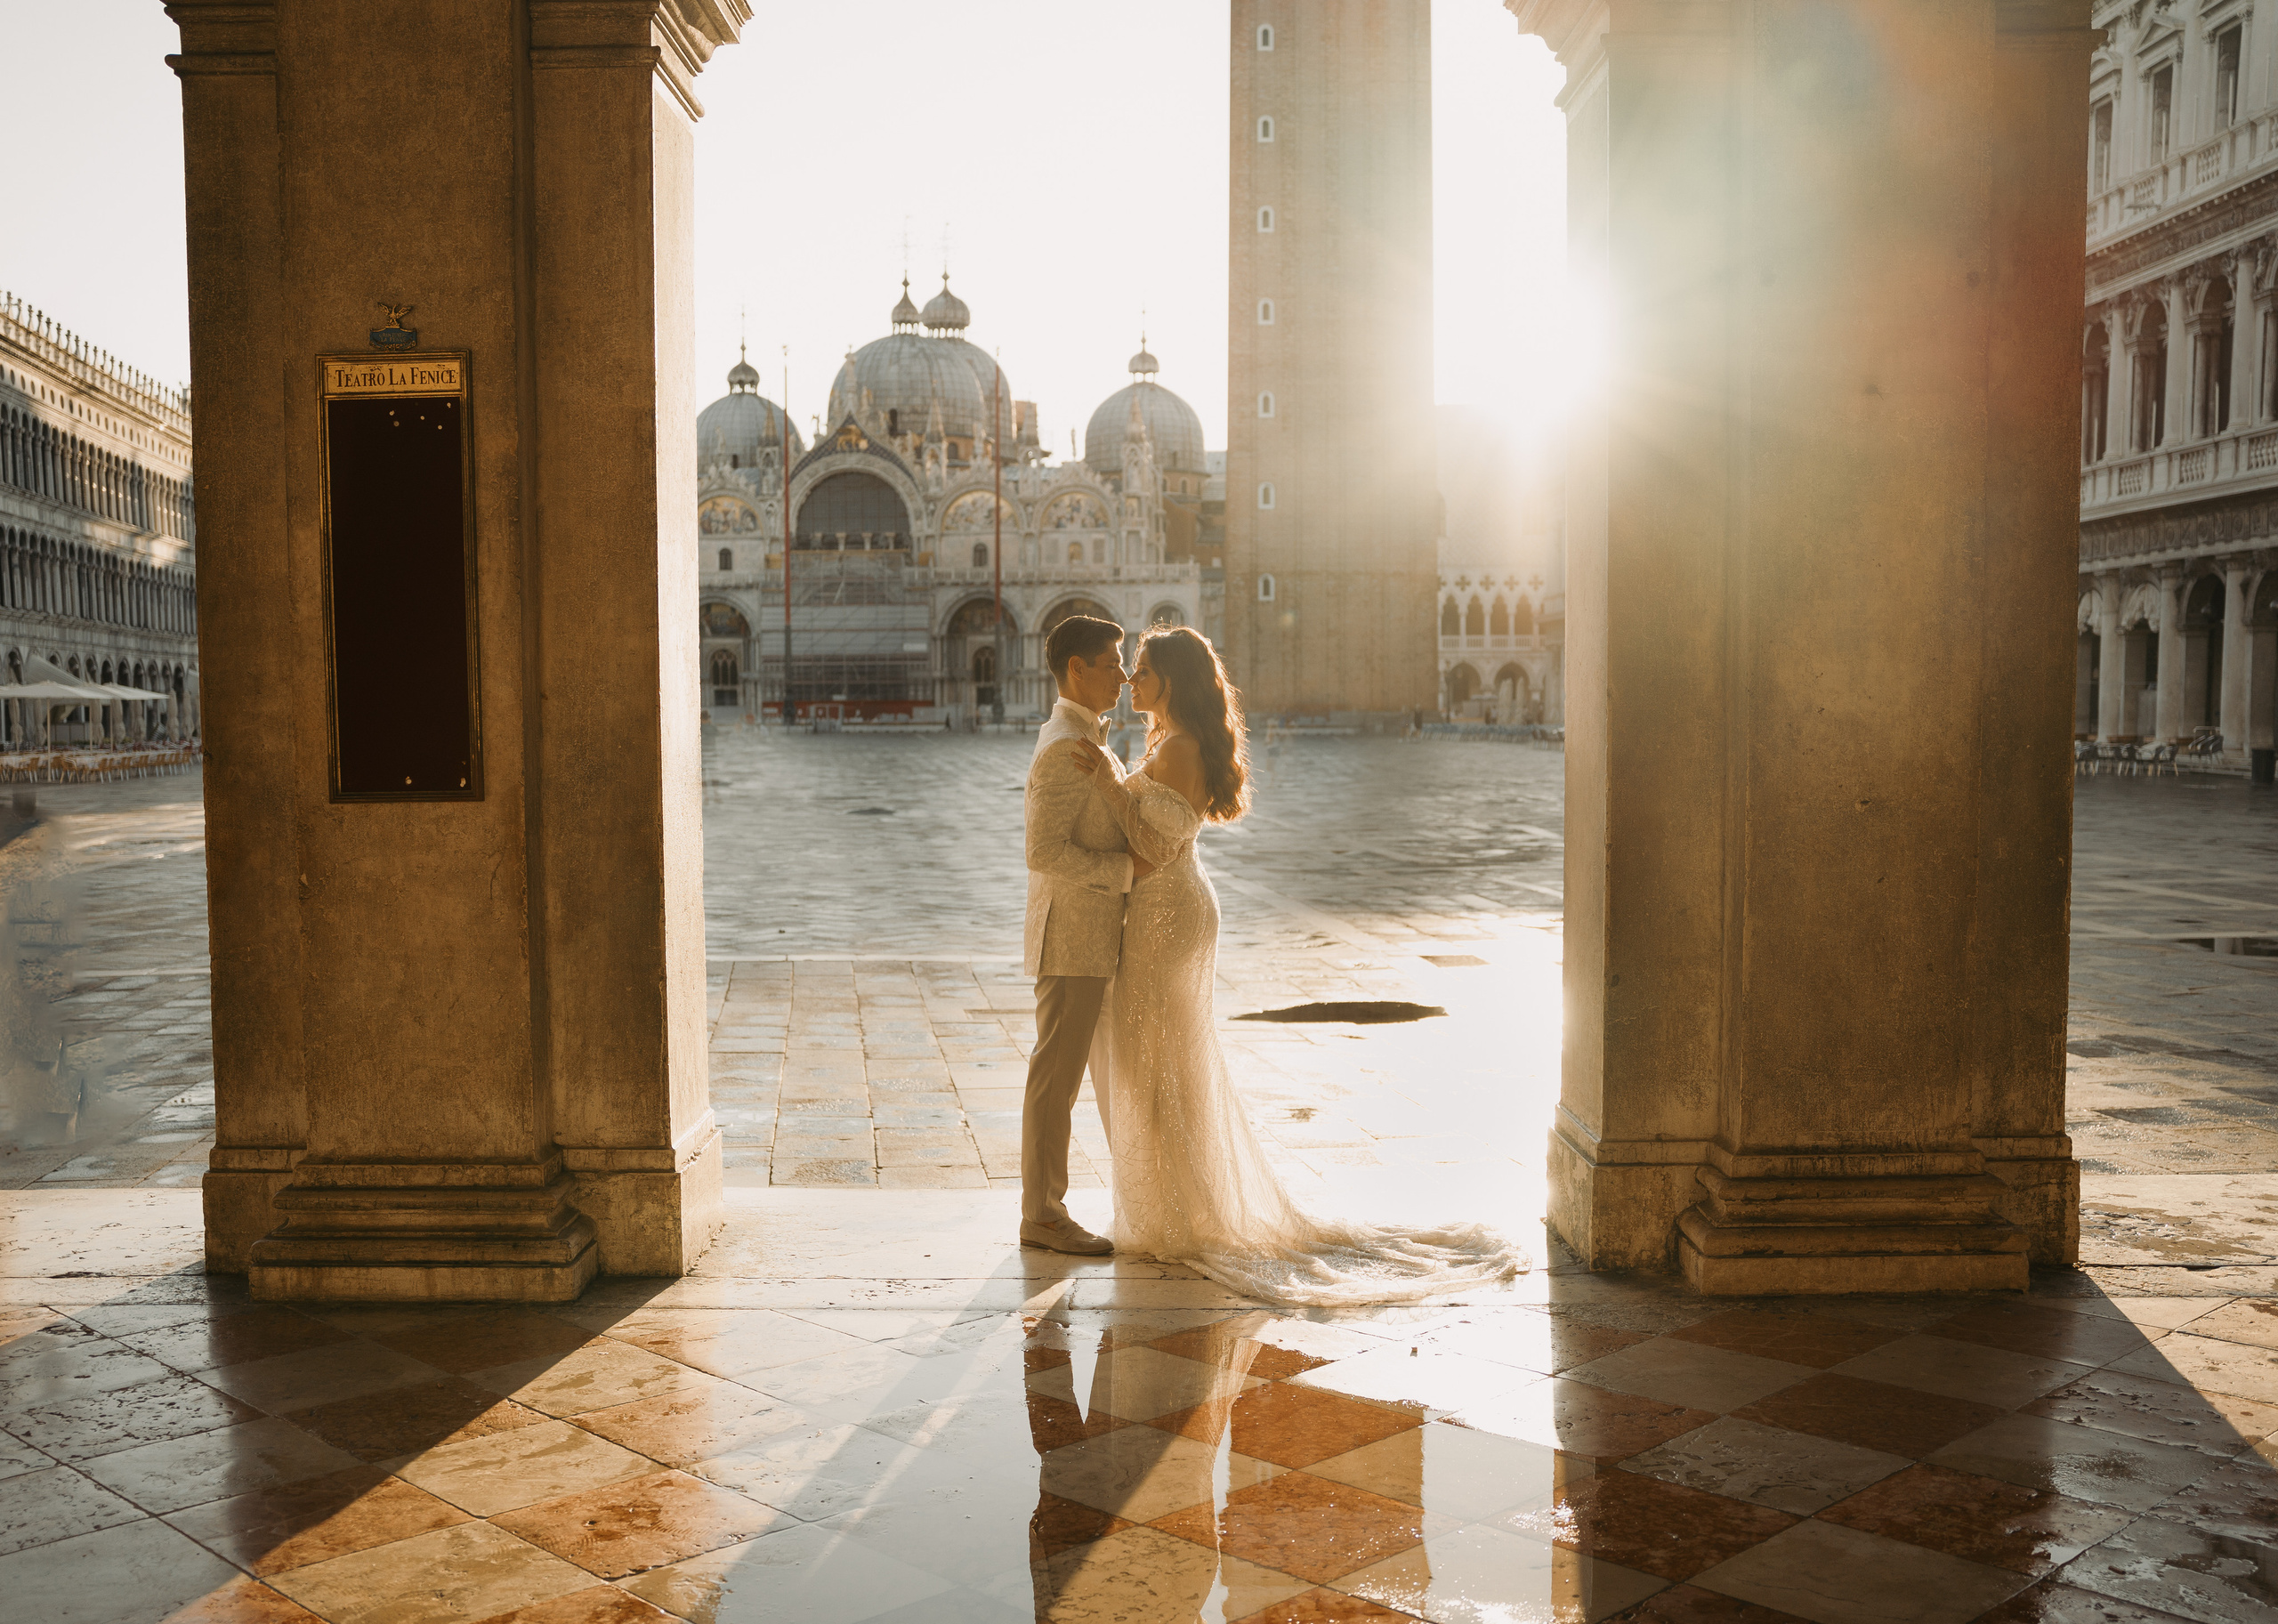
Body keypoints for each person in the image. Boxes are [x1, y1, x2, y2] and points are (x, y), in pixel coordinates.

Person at [1066, 626, 1523, 1305]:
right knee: (1158, 1062)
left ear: (1172, 680)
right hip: (1168, 913)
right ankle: (1172, 1206)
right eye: (1129, 669)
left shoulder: (1183, 747)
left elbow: (1157, 845)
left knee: (1158, 1061)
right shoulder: (1165, 741)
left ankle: (1182, 1214)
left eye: (1142, 669)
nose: (1130, 679)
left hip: (1168, 915)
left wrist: (1107, 785)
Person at [1016, 614, 1149, 1256]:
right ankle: (1043, 1211)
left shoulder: (1079, 735)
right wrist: (1124, 872)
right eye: (1112, 663)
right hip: (1070, 936)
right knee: (1056, 1077)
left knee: (1061, 1073)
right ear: (1078, 669)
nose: (1124, 676)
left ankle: (1045, 1206)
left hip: (1086, 937)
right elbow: (1042, 850)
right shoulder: (1065, 746)